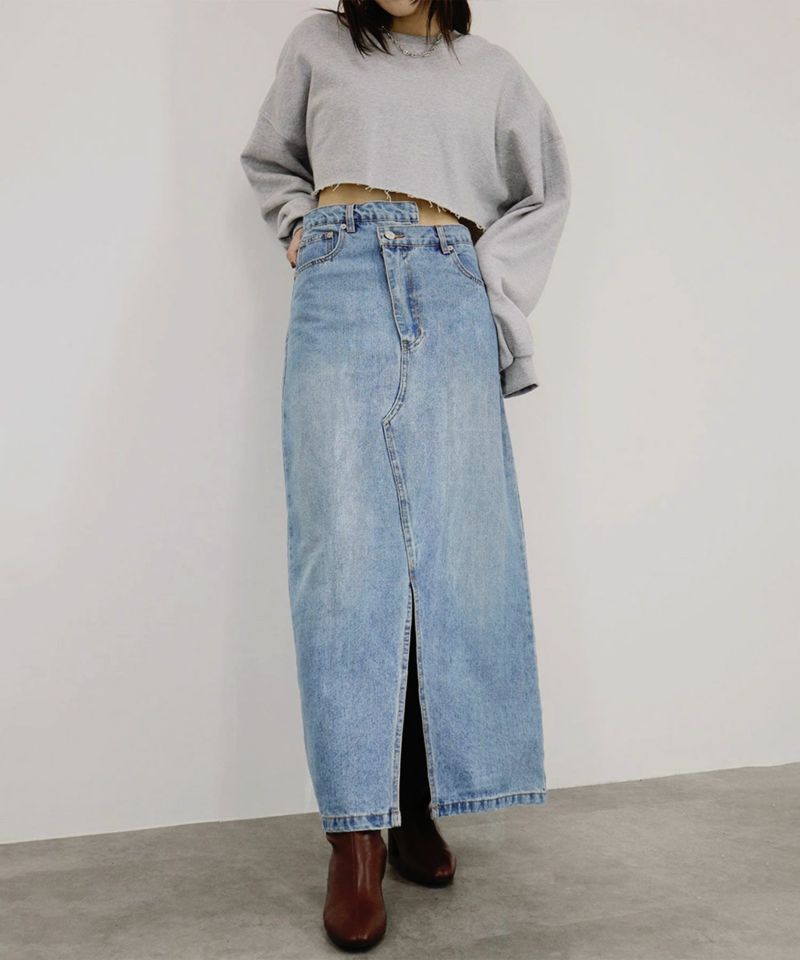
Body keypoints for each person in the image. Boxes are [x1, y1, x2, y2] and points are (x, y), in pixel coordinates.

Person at [239, 0, 571, 950]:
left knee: (453, 558)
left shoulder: (492, 72)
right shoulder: (317, 44)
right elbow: (272, 159)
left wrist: (487, 286)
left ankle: (417, 805)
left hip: (448, 283)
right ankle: (355, 837)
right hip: (337, 287)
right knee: (344, 568)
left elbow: (545, 193)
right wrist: (298, 225)